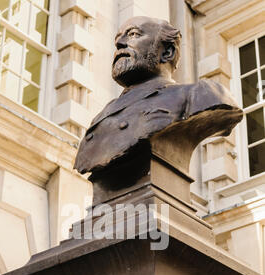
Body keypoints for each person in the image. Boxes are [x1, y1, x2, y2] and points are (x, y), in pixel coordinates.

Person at [74, 16, 243, 176]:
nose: (119, 43)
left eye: (133, 34)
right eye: (118, 38)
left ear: (167, 52)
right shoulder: (100, 118)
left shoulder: (200, 94)